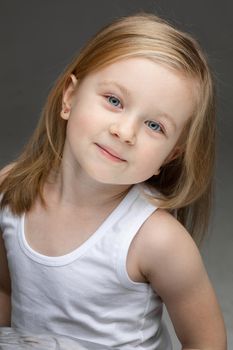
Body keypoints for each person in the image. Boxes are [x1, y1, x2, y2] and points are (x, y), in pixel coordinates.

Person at [0, 13, 227, 350]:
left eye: (154, 126)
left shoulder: (156, 240)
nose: (124, 132)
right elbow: (4, 290)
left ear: (169, 156)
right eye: (114, 101)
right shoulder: (11, 189)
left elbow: (206, 341)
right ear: (69, 98)